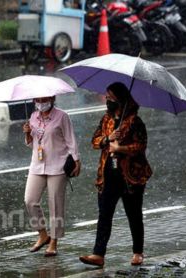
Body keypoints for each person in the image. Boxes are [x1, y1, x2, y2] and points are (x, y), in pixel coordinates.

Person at [79, 82, 152, 267]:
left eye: (111, 98)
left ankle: (138, 252)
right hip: (108, 174)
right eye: (107, 98)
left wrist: (121, 148)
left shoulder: (135, 121)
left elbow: (141, 146)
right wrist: (107, 139)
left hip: (130, 177)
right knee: (105, 214)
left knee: (134, 214)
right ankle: (98, 254)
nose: (108, 101)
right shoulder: (106, 120)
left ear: (120, 100)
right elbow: (94, 141)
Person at [23, 96, 81, 257]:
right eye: (37, 99)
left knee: (55, 204)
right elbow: (31, 144)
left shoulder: (62, 116)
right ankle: (43, 235)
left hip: (58, 164)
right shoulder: (33, 117)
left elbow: (71, 139)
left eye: (44, 99)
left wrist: (76, 160)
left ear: (52, 98)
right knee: (30, 200)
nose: (41, 102)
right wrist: (27, 134)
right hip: (37, 165)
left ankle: (54, 241)